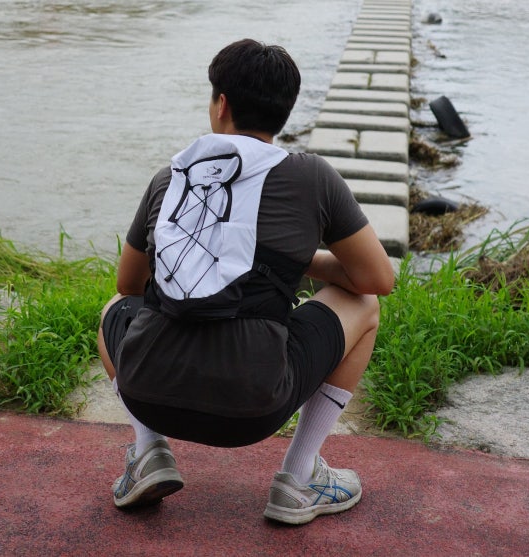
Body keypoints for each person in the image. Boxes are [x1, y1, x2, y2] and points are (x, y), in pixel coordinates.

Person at [97, 38, 395, 525]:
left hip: (146, 391)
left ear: (221, 104)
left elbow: (129, 283)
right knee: (364, 304)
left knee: (113, 309)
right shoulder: (312, 177)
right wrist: (295, 261)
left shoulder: (170, 176)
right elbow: (377, 279)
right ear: (285, 112)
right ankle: (300, 478)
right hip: (254, 410)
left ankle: (148, 450)